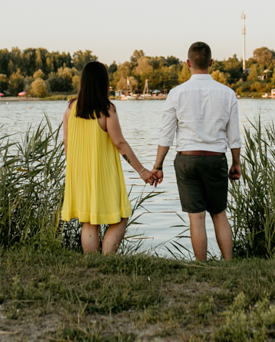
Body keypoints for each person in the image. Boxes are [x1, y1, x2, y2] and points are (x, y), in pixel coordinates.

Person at [151, 42, 241, 261]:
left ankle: (202, 266)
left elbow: (166, 136)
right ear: (211, 63)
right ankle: (228, 264)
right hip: (215, 159)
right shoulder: (228, 94)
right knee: (219, 214)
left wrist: (158, 166)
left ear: (188, 63)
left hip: (187, 161)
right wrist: (235, 163)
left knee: (196, 218)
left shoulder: (176, 93)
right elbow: (234, 137)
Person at [61, 61, 157, 254]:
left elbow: (66, 142)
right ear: (103, 83)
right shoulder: (106, 110)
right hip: (102, 171)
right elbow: (119, 143)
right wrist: (142, 170)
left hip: (78, 171)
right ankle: (107, 259)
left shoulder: (71, 108)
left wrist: (73, 168)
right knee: (121, 215)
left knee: (88, 219)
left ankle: (93, 263)